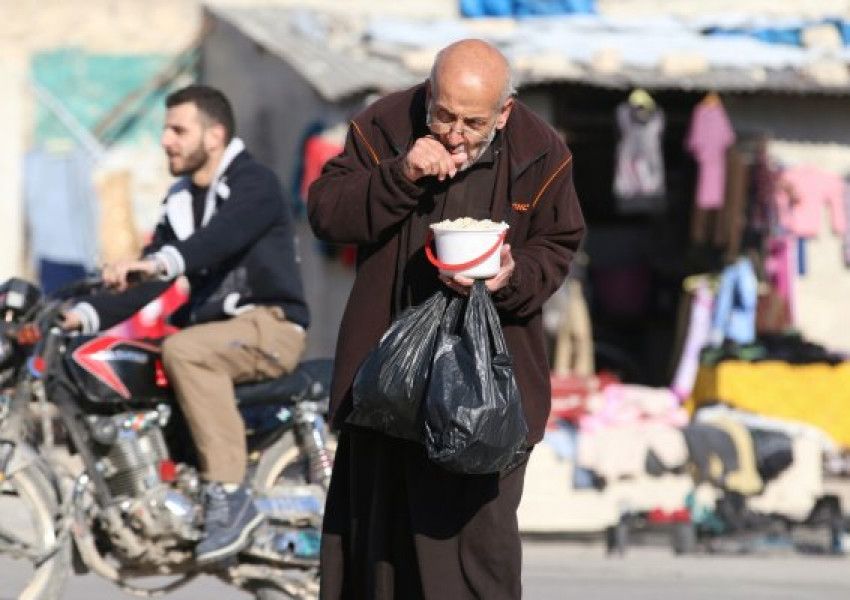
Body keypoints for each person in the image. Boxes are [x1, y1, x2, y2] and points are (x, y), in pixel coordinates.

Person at [308, 39, 586, 599]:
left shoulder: (541, 152)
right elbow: (326, 212)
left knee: (475, 564)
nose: (455, 132)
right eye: (444, 115)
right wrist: (400, 173)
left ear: (504, 112)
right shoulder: (384, 125)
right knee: (376, 555)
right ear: (429, 94)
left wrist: (511, 276)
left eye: (473, 121)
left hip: (488, 396)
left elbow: (557, 245)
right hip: (386, 388)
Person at [62, 84, 310, 563]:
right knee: (141, 362)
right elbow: (150, 280)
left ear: (214, 135)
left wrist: (158, 263)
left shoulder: (253, 184)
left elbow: (217, 240)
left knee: (184, 350)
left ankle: (231, 496)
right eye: (165, 130)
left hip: (271, 325)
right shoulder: (180, 201)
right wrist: (81, 315)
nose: (166, 141)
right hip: (218, 337)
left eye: (178, 130)